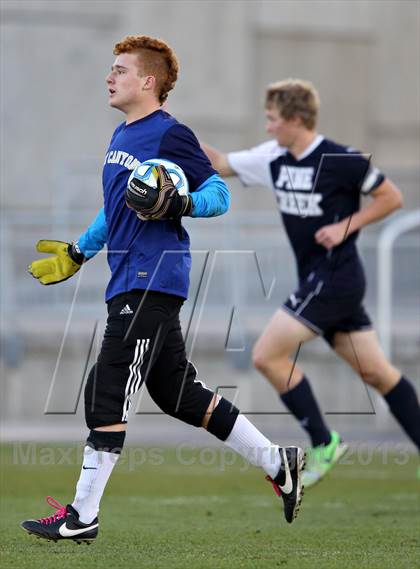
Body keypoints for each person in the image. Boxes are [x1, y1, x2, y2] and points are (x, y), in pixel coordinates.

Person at [21, 38, 306, 544]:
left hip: (152, 279)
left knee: (109, 384)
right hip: (129, 279)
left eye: (120, 70)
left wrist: (180, 203)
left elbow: (218, 194)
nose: (110, 78)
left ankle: (82, 516)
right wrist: (79, 252)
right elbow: (115, 209)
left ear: (148, 81)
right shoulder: (121, 134)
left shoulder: (171, 134)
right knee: (177, 393)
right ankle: (278, 461)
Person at [201, 79, 420, 488]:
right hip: (321, 282)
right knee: (377, 373)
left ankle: (324, 442)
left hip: (335, 279)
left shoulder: (340, 159)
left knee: (267, 355)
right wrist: (175, 136)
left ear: (297, 120)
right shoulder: (273, 156)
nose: (268, 128)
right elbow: (220, 164)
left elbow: (392, 197)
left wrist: (345, 226)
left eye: (273, 120)